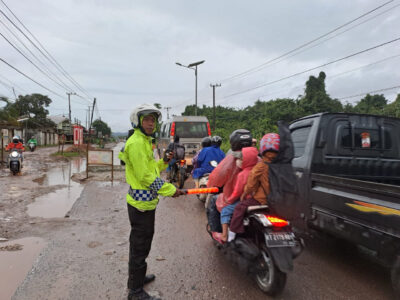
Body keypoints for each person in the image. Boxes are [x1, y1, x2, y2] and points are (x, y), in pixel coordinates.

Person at [119, 103, 184, 300]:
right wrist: (170, 189)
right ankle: (135, 291)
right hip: (140, 206)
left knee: (142, 244)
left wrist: (164, 161)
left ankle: (137, 279)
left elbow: (152, 169)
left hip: (146, 203)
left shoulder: (145, 141)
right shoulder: (137, 143)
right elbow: (146, 177)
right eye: (146, 119)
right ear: (137, 121)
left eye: (153, 120)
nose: (150, 123)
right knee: (140, 246)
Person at [230, 133, 280, 234]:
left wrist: (244, 195)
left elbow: (251, 185)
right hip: (282, 201)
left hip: (263, 200)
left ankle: (235, 232)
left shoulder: (260, 166)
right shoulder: (283, 165)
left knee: (239, 208)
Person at [206, 129, 252, 236]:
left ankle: (218, 232)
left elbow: (215, 179)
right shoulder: (257, 157)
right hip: (256, 199)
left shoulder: (231, 159)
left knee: (214, 200)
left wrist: (211, 185)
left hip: (236, 198)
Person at [219, 147, 258, 242]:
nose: (238, 161)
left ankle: (224, 235)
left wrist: (229, 200)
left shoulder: (243, 174)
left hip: (247, 200)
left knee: (225, 210)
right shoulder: (258, 170)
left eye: (241, 159)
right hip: (261, 200)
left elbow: (237, 192)